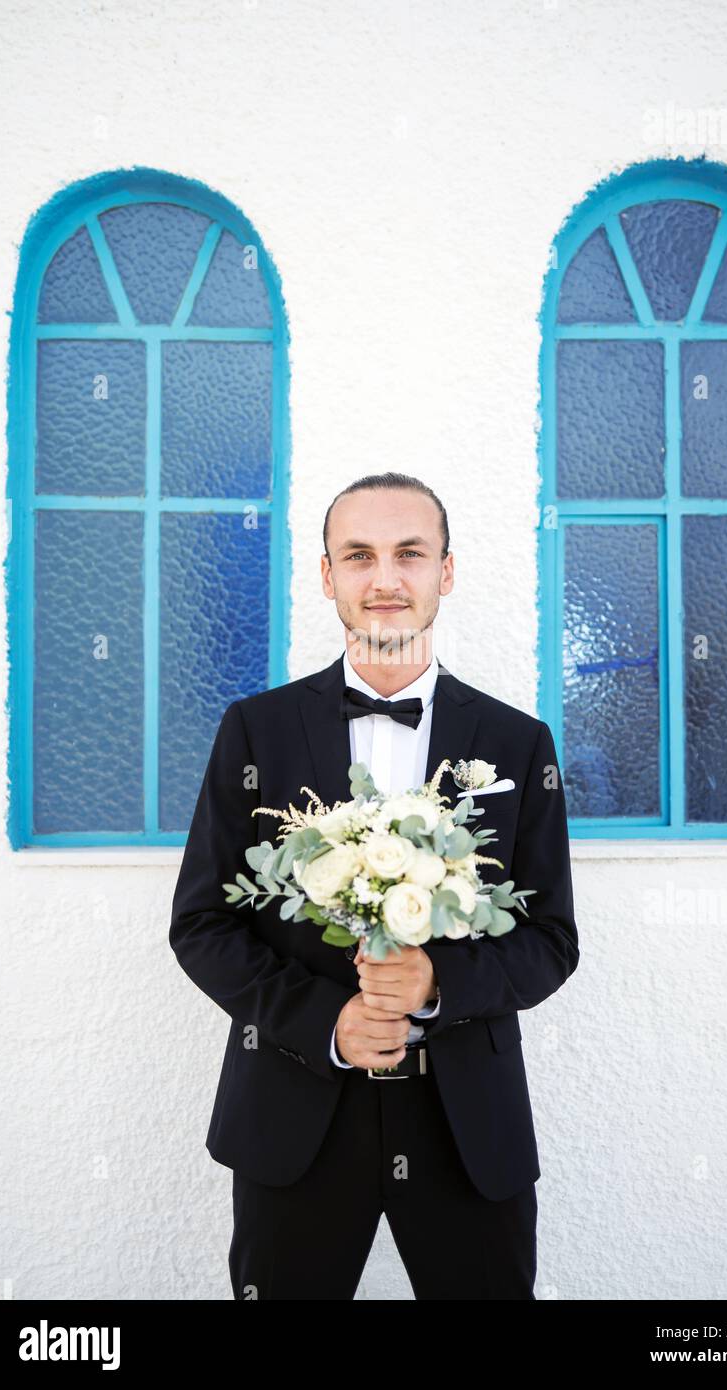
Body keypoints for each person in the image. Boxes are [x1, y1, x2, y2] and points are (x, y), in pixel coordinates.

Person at [169, 472, 579, 1299]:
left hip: (468, 1118)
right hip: (296, 1108)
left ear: (445, 573)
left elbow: (551, 941)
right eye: (358, 555)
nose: (384, 579)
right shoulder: (254, 731)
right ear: (328, 576)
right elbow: (203, 923)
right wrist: (329, 1022)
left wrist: (436, 983)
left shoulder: (518, 741)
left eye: (409, 554)